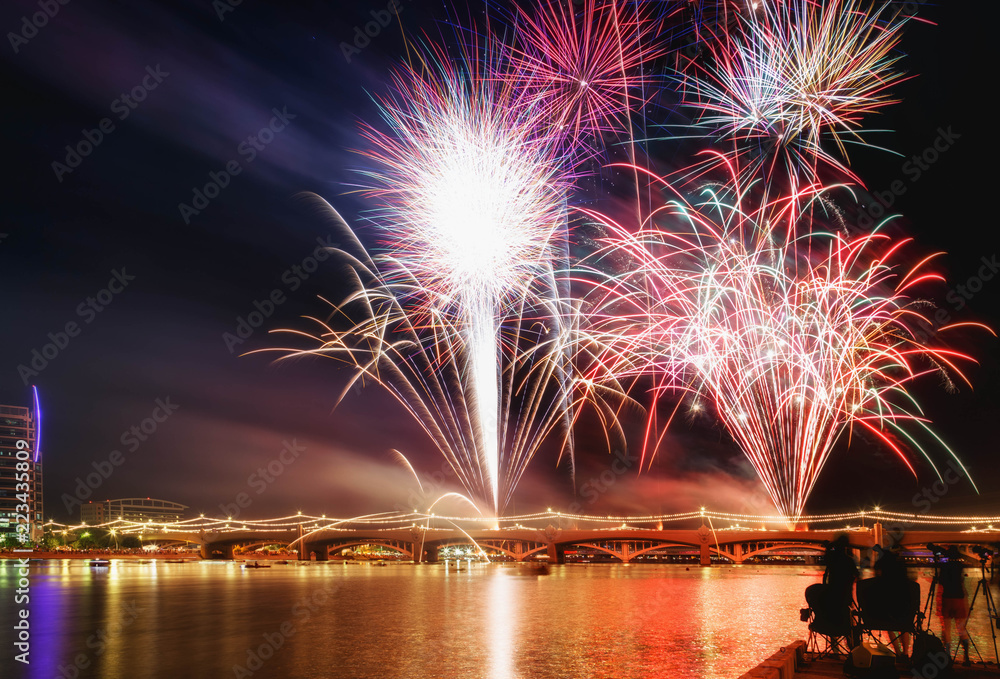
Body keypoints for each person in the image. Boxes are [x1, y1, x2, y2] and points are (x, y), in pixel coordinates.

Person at [939, 546, 970, 665]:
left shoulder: (944, 566)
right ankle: (966, 657)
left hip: (947, 598)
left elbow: (941, 581)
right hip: (959, 599)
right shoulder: (960, 566)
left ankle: (947, 656)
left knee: (946, 629)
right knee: (961, 628)